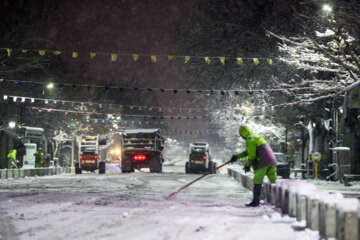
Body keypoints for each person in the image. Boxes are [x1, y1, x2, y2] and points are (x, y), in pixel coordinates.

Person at [230, 125, 277, 207]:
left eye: (241, 135)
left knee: (257, 181)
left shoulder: (249, 139)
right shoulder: (256, 137)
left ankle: (256, 201)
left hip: (263, 162)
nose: (242, 137)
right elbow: (249, 151)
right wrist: (237, 156)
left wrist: (248, 165)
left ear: (243, 134)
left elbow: (252, 155)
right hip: (271, 161)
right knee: (274, 181)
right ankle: (278, 201)